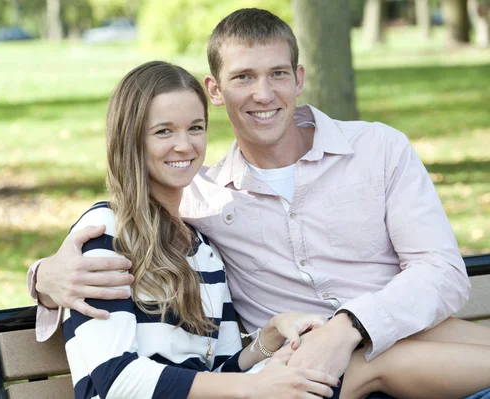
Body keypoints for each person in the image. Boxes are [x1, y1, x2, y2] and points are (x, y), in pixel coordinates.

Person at [28, 8, 490, 398]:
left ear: (299, 78)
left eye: (278, 74)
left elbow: (441, 273)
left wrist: (332, 328)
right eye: (244, 77)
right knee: (374, 358)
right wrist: (44, 279)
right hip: (331, 375)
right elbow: (111, 367)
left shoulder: (377, 150)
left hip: (395, 353)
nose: (263, 94)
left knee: (394, 341)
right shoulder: (198, 200)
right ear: (216, 90)